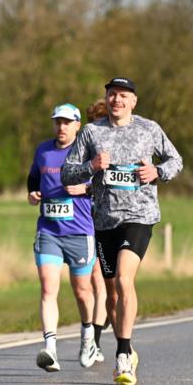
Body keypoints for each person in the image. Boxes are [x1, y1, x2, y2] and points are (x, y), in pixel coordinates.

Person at [62, 78, 182, 385]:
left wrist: (157, 172)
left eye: (123, 95)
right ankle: (125, 346)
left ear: (133, 101)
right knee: (112, 291)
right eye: (112, 94)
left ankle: (124, 355)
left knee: (126, 279)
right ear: (106, 98)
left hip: (140, 216)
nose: (117, 100)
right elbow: (67, 173)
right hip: (104, 221)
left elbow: (175, 160)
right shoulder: (91, 132)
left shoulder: (149, 129)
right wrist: (91, 166)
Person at [27, 103, 99, 372]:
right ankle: (50, 349)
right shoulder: (43, 150)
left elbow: (101, 184)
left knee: (82, 291)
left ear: (78, 125)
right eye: (58, 121)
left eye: (67, 122)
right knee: (48, 288)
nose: (61, 127)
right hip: (49, 231)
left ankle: (88, 337)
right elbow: (33, 179)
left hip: (80, 231)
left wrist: (85, 188)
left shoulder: (85, 152)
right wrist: (33, 194)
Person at [85, 99, 110, 362]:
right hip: (85, 223)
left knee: (105, 283)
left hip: (109, 222)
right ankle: (95, 340)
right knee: (94, 281)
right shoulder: (84, 153)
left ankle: (97, 340)